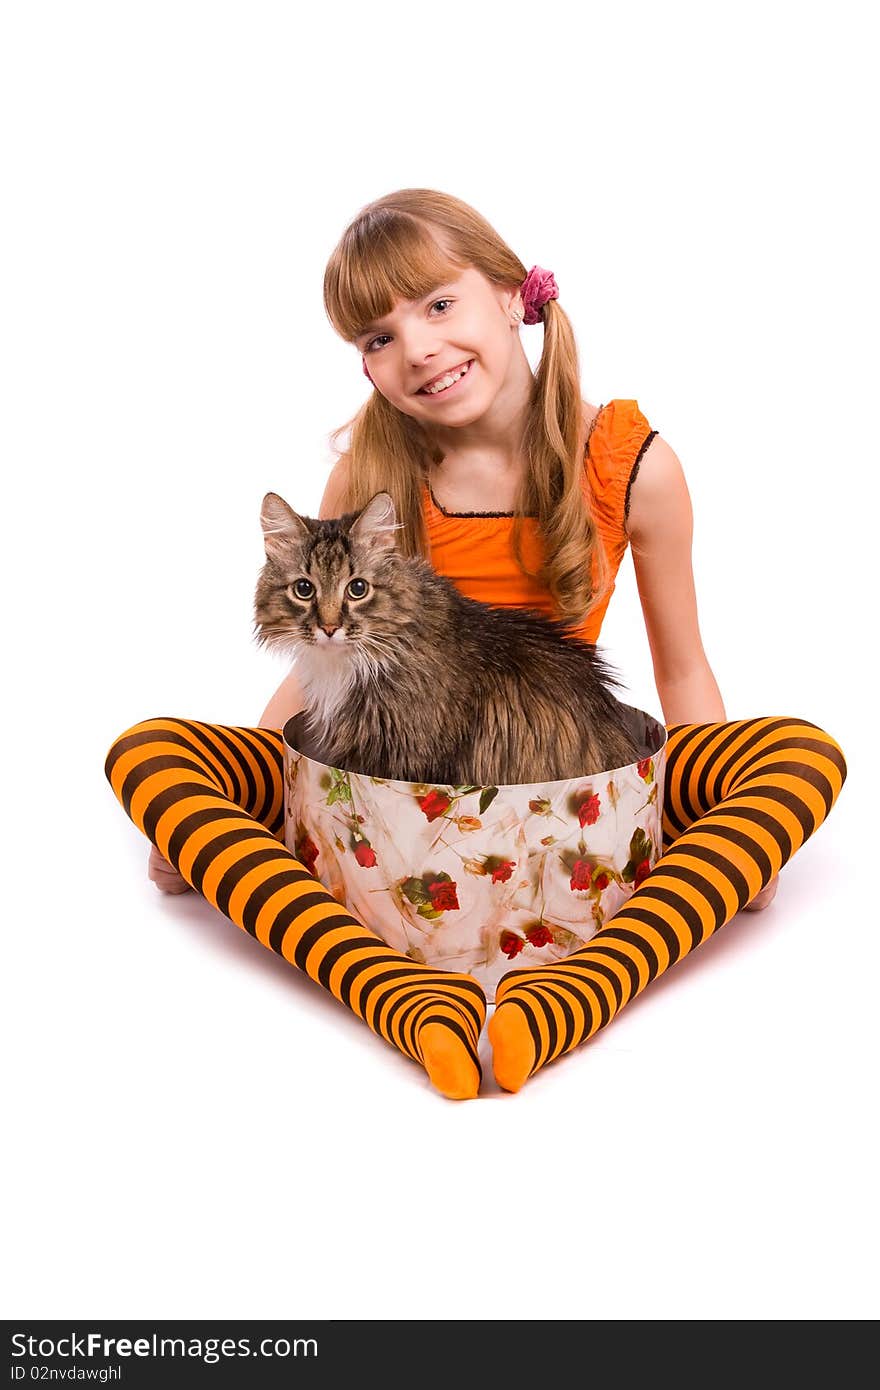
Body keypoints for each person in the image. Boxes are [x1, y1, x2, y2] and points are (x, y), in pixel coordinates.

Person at [108, 188, 846, 1098]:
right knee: (151, 755)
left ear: (510, 295)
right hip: (395, 785)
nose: (416, 348)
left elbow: (682, 667)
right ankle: (400, 994)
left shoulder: (627, 460)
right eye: (376, 337)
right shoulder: (373, 467)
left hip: (564, 781)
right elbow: (326, 661)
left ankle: (575, 990)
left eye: (438, 304)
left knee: (801, 757)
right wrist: (260, 787)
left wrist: (716, 822)